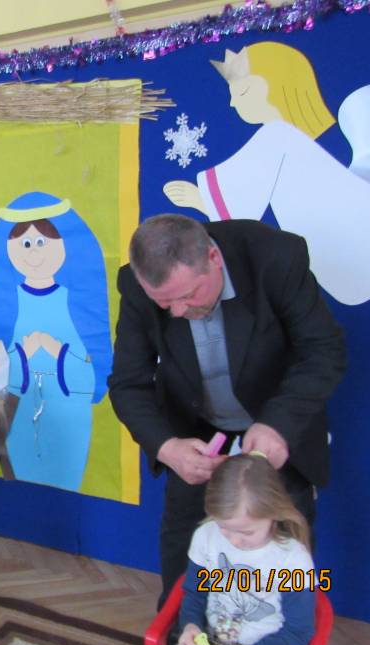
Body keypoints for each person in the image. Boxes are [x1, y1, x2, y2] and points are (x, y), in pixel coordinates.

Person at [107, 214, 346, 606]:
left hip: (275, 423)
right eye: (164, 302)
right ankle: (183, 638)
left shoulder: (275, 258)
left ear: (213, 258)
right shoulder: (137, 286)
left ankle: (279, 639)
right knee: (184, 553)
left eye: (188, 295)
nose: (177, 311)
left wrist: (278, 425)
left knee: (282, 558)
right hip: (197, 433)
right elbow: (128, 384)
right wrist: (167, 447)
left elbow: (323, 352)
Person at [163, 41, 370, 306]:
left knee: (278, 136)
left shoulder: (286, 143)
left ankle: (217, 203)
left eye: (243, 91)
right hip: (348, 256)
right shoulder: (288, 161)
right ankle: (221, 205)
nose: (234, 103)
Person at [0, 191, 113, 491]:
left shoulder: (75, 300)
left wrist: (58, 352)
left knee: (64, 479)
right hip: (21, 405)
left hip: (69, 407)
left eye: (41, 242)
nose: (33, 253)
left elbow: (92, 372)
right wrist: (22, 354)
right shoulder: (9, 302)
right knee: (23, 478)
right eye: (24, 244)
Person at [172, 454, 315, 645]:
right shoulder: (205, 536)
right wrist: (191, 627)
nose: (235, 541)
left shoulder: (293, 560)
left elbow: (298, 633)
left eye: (247, 532)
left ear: (274, 514)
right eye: (224, 527)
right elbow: (194, 595)